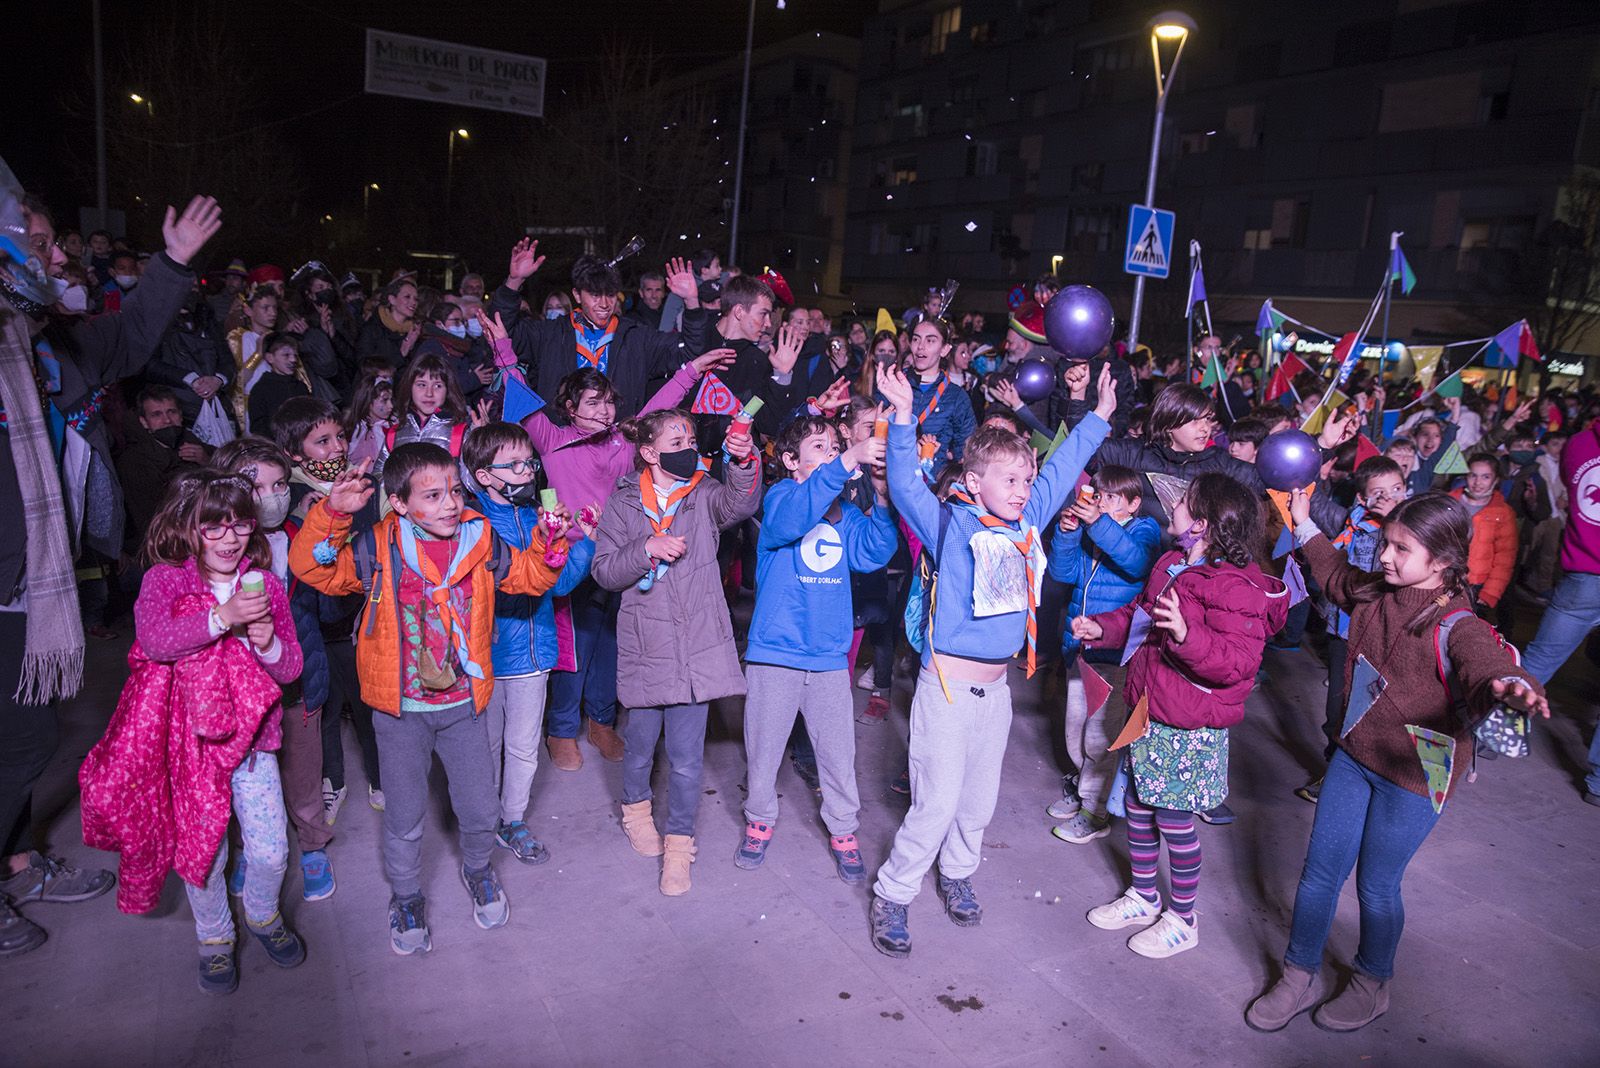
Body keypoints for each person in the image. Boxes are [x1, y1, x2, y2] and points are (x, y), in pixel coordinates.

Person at [0, 191, 219, 958]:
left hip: (30, 578)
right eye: (42, 242)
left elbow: (123, 339)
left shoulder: (42, 345)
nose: (58, 257)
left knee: (21, 736)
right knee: (25, 742)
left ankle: (19, 855)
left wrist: (174, 263)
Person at [1247, 491, 1547, 1033]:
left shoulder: (1458, 624)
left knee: (1377, 885)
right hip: (1356, 754)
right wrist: (1304, 522)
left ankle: (1371, 981)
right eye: (1385, 543)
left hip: (1417, 772)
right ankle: (1298, 973)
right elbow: (1335, 573)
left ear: (1442, 563)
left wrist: (1512, 685)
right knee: (1318, 875)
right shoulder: (1375, 591)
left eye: (1401, 549)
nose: (1384, 556)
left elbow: (1484, 661)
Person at [867, 362, 1114, 959]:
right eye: (1009, 480)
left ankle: (956, 873)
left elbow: (1059, 470)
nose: (1023, 489)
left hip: (996, 692)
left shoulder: (1028, 520)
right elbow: (904, 486)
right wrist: (902, 419)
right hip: (946, 689)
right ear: (975, 483)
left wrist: (1100, 418)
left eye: (1025, 480)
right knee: (937, 802)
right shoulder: (950, 522)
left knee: (977, 802)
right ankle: (894, 893)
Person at [289, 444, 572, 954]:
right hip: (401, 712)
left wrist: (550, 548)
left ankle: (479, 869)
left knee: (481, 806)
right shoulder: (377, 546)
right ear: (398, 502)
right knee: (403, 813)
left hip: (464, 704)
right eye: (433, 495)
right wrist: (332, 514)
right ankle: (406, 895)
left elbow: (528, 577)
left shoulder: (480, 538)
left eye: (455, 492)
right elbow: (315, 571)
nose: (449, 505)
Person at [80, 473, 306, 994]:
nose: (230, 538)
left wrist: (268, 642)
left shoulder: (267, 584)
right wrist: (222, 616)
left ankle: (263, 915)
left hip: (252, 745)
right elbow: (156, 641)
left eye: (241, 525)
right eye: (214, 527)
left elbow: (290, 668)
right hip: (191, 747)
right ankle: (214, 938)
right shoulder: (167, 581)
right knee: (204, 850)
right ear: (189, 527)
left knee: (271, 851)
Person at [482, 310, 736, 770]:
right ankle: (562, 730)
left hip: (620, 554)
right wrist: (504, 352)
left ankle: (601, 723)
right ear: (570, 408)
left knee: (612, 643)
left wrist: (691, 370)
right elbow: (518, 395)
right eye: (593, 403)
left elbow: (659, 410)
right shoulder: (549, 436)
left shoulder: (623, 441)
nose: (604, 411)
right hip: (572, 557)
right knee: (574, 645)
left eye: (608, 403)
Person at [1075, 474, 1286, 959]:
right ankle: (1145, 896)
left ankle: (1183, 919)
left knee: (1174, 820)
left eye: (1184, 503)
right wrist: (1101, 628)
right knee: (1138, 807)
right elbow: (1141, 618)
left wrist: (1190, 637)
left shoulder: (1237, 587)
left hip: (1190, 723)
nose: (1171, 505)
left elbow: (1238, 663)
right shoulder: (1172, 562)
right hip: (1150, 708)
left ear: (1204, 524)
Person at [590, 409, 763, 896]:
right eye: (675, 438)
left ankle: (680, 848)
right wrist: (647, 546)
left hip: (697, 649)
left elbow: (741, 504)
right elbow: (604, 571)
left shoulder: (704, 492)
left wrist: (743, 461)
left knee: (687, 759)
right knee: (641, 747)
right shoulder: (624, 503)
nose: (687, 444)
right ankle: (636, 811)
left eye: (689, 436)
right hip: (648, 646)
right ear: (648, 452)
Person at [736, 416, 895, 881]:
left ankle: (844, 829)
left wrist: (883, 498)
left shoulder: (844, 514)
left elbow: (874, 552)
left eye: (835, 446)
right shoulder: (781, 498)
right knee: (764, 750)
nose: (830, 452)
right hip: (776, 655)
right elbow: (796, 518)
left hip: (827, 657)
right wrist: (847, 459)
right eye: (819, 446)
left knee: (838, 754)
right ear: (790, 460)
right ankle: (759, 820)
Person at [463, 422, 597, 865]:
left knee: (523, 746)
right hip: (487, 655)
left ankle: (512, 820)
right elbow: (496, 587)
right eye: (514, 465)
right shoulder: (472, 524)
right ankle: (481, 823)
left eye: (529, 463)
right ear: (484, 475)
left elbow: (557, 588)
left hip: (534, 653)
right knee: (487, 746)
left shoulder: (541, 519)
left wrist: (582, 544)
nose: (527, 472)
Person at [212, 437, 338, 903]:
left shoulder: (304, 532)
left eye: (280, 483)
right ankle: (249, 846)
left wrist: (328, 560)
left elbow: (326, 613)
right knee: (244, 776)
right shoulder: (220, 548)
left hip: (300, 680)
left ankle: (312, 844)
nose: (271, 494)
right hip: (239, 693)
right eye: (254, 484)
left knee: (304, 771)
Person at [1044, 465, 1161, 843]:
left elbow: (1135, 562)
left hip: (1115, 653)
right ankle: (1084, 789)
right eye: (1099, 493)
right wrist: (1067, 535)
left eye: (1112, 497)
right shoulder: (1091, 534)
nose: (1101, 501)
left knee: (1100, 737)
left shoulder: (1144, 531)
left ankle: (1095, 811)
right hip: (1079, 648)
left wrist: (1096, 524)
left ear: (1133, 503)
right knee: (1074, 732)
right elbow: (1062, 575)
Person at [1297, 453, 1410, 803]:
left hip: (1384, 638)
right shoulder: (1350, 521)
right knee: (1338, 709)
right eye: (1380, 492)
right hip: (1344, 634)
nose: (1391, 497)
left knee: (1374, 711)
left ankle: (1372, 778)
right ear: (1362, 498)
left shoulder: (1411, 533)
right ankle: (1334, 772)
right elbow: (1311, 500)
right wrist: (1323, 453)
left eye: (1398, 488)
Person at [491, 244, 702, 419]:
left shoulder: (637, 337)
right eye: (594, 294)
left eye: (610, 294)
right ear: (576, 294)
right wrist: (514, 282)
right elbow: (499, 330)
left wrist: (691, 301)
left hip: (619, 450)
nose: (604, 304)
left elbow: (689, 352)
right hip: (560, 450)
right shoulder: (549, 334)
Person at [1510, 416, 1600, 805]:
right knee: (1539, 660)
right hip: (1585, 577)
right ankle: (1598, 783)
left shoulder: (1578, 445)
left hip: (1583, 574)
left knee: (1540, 660)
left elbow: (1570, 488)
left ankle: (1498, 732)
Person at [1093, 383, 1264, 526]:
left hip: (1195, 564)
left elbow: (1268, 483)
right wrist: (1079, 397)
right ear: (1169, 422)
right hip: (1141, 560)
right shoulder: (1134, 454)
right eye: (1195, 420)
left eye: (1207, 419)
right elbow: (1081, 451)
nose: (1205, 428)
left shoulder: (1221, 464)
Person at [115, 385, 211, 544]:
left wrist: (206, 461)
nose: (167, 420)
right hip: (167, 542)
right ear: (144, 422)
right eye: (156, 415)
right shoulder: (133, 461)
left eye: (171, 412)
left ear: (180, 416)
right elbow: (151, 517)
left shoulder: (194, 444)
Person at [884, 316, 976, 464]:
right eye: (916, 339)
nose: (921, 346)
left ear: (945, 349)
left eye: (930, 340)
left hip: (933, 482)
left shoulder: (956, 397)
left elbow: (966, 451)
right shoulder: (893, 386)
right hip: (893, 472)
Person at [1450, 453, 1518, 612]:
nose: (1478, 482)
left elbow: (1505, 557)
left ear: (1496, 480)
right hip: (1442, 580)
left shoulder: (1503, 512)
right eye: (1473, 475)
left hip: (1475, 587)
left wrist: (1491, 592)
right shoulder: (1449, 502)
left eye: (1486, 477)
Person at [245, 332, 310, 436]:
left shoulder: (300, 387)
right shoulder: (260, 390)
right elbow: (258, 428)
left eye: (295, 355)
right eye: (286, 355)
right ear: (270, 358)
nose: (293, 360)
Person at [356, 277, 421, 370]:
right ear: (392, 299)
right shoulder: (372, 328)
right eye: (407, 297)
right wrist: (402, 353)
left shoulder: (415, 331)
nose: (413, 302)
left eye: (416, 299)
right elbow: (364, 366)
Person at [345, 372, 395, 470]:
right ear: (368, 400)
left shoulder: (393, 428)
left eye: (391, 400)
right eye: (384, 400)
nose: (391, 406)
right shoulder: (352, 428)